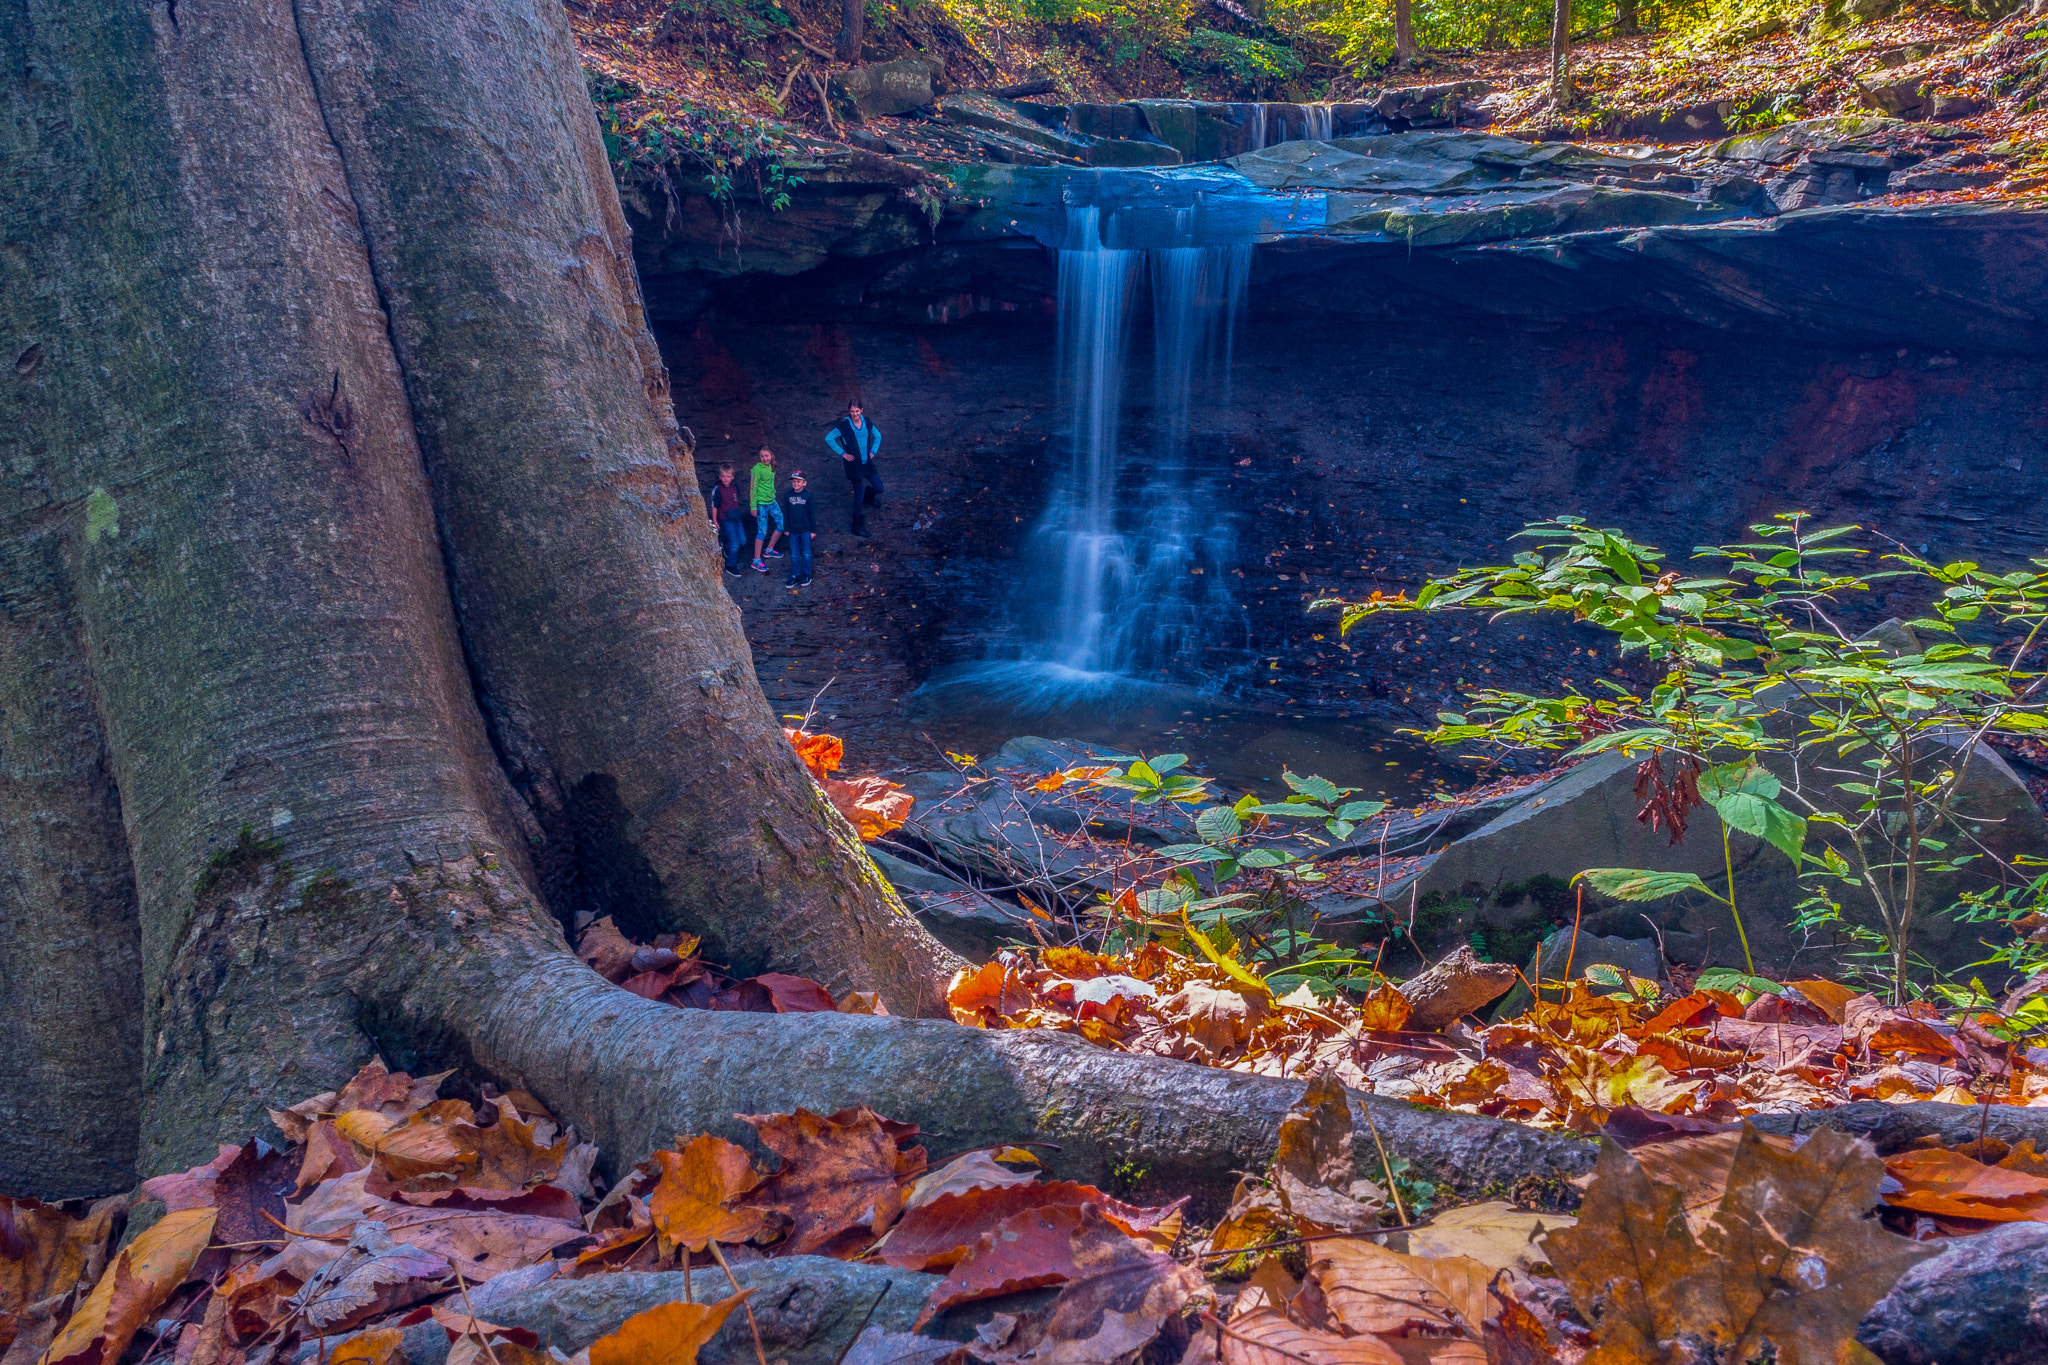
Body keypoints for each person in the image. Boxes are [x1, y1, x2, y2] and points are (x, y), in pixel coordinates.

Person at [824, 399, 883, 537]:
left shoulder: (867, 422)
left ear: (861, 410)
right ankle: (857, 525)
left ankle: (869, 497)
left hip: (867, 462)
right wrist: (843, 453)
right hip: (853, 465)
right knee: (858, 493)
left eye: (857, 411)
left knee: (879, 487)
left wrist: (873, 451)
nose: (855, 414)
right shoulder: (844, 426)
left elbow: (878, 435)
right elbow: (829, 438)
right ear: (849, 411)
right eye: (852, 411)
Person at [706, 462, 746, 577]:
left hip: (736, 518)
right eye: (723, 476)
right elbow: (714, 505)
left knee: (743, 540)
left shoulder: (734, 486)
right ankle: (730, 565)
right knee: (735, 543)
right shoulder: (717, 489)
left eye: (728, 476)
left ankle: (726, 546)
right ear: (719, 477)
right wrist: (715, 520)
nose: (726, 479)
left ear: (732, 477)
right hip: (726, 519)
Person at [748, 446, 784, 572]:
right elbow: (753, 488)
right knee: (762, 531)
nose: (764, 458)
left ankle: (769, 549)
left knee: (781, 523)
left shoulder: (772, 467)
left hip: (771, 501)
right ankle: (756, 560)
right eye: (762, 456)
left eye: (766, 455)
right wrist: (753, 507)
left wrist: (773, 493)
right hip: (761, 504)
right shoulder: (757, 469)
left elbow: (770, 483)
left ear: (771, 455)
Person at [782, 471, 815, 587]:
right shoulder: (787, 496)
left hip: (805, 529)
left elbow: (812, 513)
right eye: (794, 481)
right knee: (794, 554)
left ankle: (807, 574)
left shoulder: (808, 496)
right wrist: (785, 528)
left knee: (806, 553)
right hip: (792, 530)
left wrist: (813, 530)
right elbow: (785, 513)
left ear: (804, 483)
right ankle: (795, 575)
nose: (796, 483)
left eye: (798, 481)